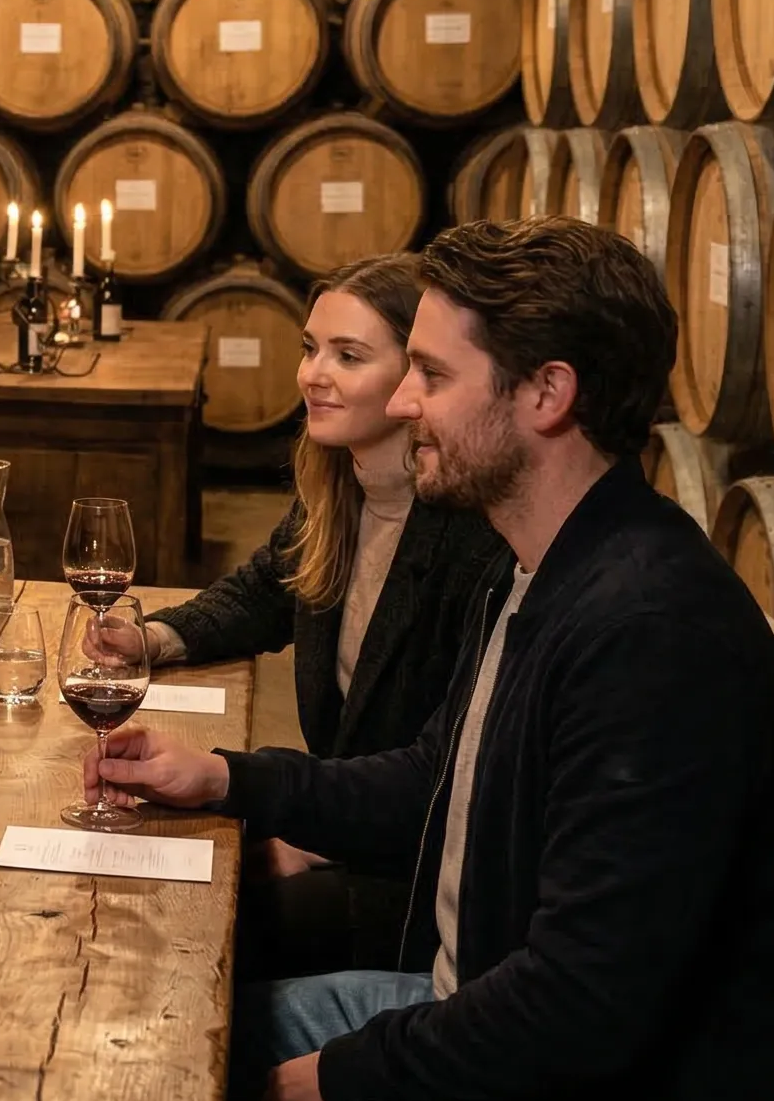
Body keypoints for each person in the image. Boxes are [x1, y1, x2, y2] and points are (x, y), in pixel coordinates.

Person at [95, 217, 774, 1101]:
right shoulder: (543, 570)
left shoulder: (650, 634)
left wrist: (331, 1076)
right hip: (471, 1019)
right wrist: (226, 778)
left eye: (430, 374)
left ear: (546, 394)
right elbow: (433, 779)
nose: (402, 401)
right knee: (144, 1026)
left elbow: (578, 1010)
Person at [146, 255, 505, 978]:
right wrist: (153, 636)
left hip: (416, 881)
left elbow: (450, 778)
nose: (313, 374)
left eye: (349, 356)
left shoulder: (471, 533)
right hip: (348, 821)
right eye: (311, 349)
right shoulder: (340, 487)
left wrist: (306, 841)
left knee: (184, 928)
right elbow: (264, 593)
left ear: (415, 381)